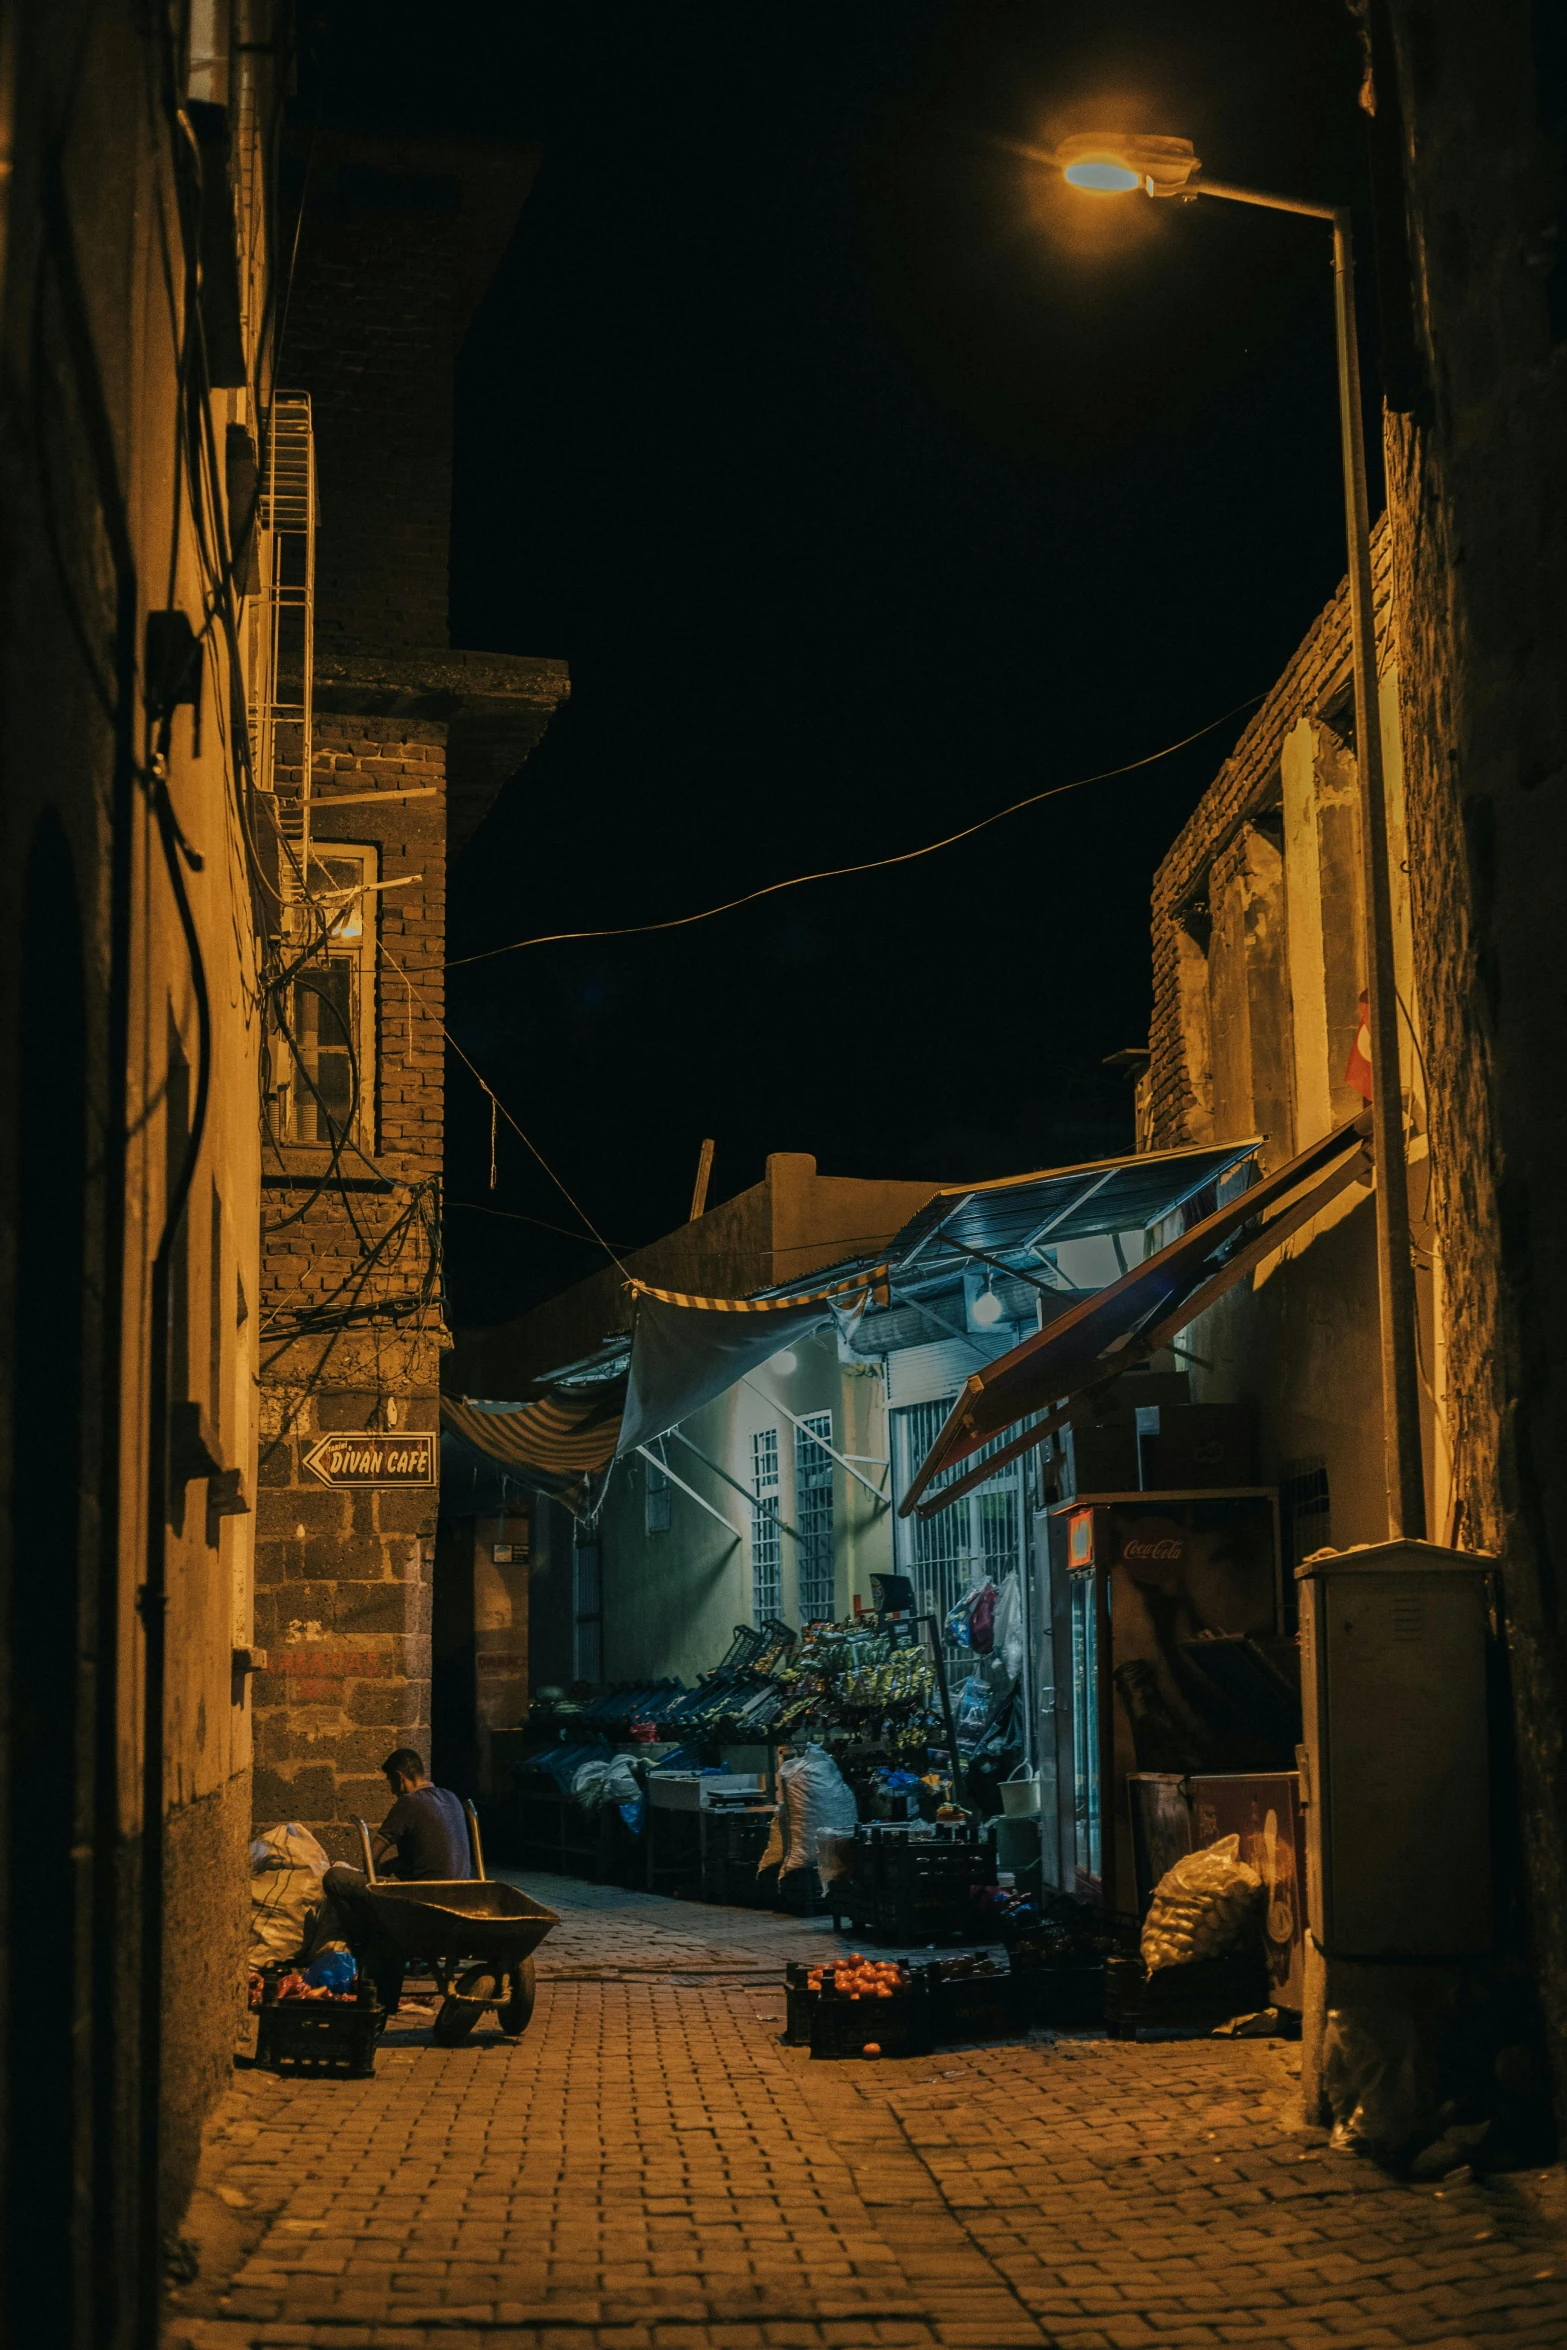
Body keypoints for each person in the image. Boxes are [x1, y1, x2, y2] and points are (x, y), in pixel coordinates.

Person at [313, 1749, 472, 2009]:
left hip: (421, 1900)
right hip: (458, 1898)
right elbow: (426, 1857)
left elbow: (371, 1855)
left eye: (390, 1783)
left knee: (336, 1877)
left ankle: (364, 1936)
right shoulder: (451, 1798)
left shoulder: (409, 1803)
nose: (391, 1791)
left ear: (400, 1777)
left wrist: (373, 1873)